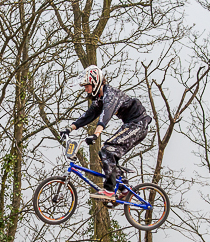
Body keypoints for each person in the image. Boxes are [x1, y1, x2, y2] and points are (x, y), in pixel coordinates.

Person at [61, 65, 152, 201]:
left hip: (138, 124)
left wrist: (96, 134)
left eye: (87, 86)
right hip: (131, 124)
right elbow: (89, 114)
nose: (85, 89)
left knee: (107, 150)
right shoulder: (100, 98)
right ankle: (124, 188)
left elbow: (105, 115)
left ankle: (109, 190)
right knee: (104, 154)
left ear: (96, 82)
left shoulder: (110, 95)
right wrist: (70, 128)